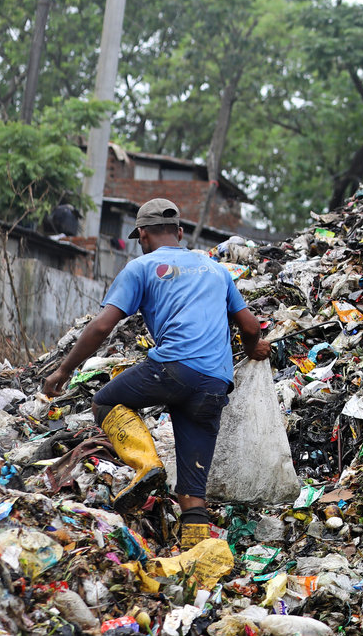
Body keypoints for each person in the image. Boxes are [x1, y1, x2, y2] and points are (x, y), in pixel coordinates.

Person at [42, 198, 270, 547]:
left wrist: (62, 371)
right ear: (179, 232)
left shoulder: (141, 267)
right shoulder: (215, 269)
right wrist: (253, 347)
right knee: (194, 490)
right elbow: (251, 326)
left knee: (105, 401)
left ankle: (147, 465)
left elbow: (102, 327)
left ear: (142, 236)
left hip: (172, 369)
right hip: (215, 383)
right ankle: (201, 562)